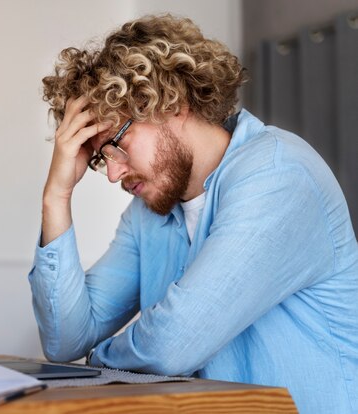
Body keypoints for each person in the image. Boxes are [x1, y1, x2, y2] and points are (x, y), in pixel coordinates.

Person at [28, 14, 358, 414]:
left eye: (117, 142)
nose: (113, 173)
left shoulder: (278, 173)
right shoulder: (149, 213)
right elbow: (65, 340)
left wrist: (99, 360)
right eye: (100, 158)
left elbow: (175, 341)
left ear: (172, 103)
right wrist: (56, 196)